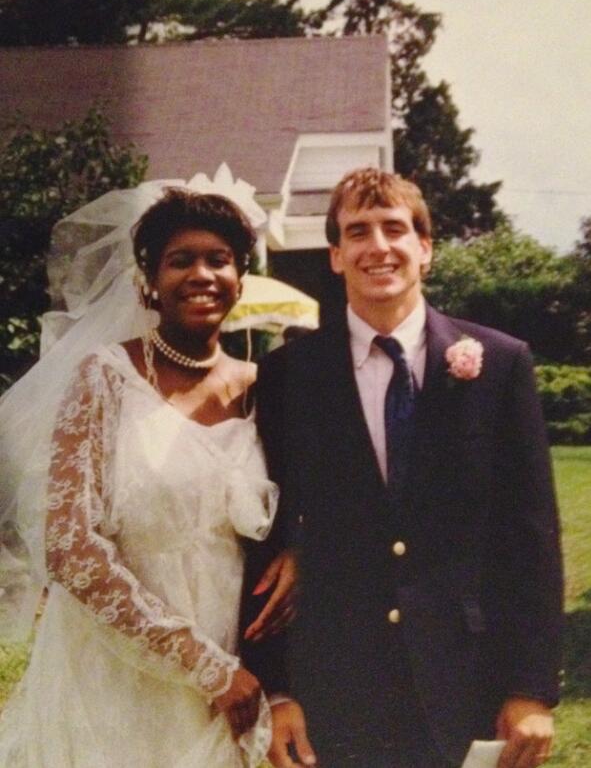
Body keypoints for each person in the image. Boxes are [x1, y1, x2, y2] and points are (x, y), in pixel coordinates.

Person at [243, 168, 563, 768]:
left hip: (467, 681)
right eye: (357, 232)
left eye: (394, 228)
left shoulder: (500, 364)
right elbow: (265, 542)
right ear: (335, 256)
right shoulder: (289, 375)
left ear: (426, 248)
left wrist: (531, 688)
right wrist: (278, 692)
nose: (378, 246)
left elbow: (531, 541)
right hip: (336, 689)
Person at [0, 182, 294, 767]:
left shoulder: (263, 389)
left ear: (240, 279)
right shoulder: (106, 377)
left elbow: (305, 504)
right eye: (180, 260)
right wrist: (205, 667)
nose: (202, 274)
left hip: (225, 680)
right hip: (114, 678)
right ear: (149, 283)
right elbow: (70, 549)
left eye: (219, 260)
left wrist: (297, 552)